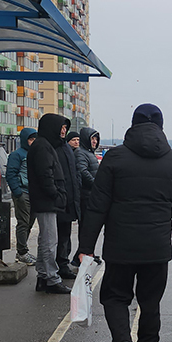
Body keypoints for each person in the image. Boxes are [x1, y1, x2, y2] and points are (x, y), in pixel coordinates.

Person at [78, 104, 172, 342]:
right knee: (150, 303)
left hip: (120, 246)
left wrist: (86, 247)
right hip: (156, 248)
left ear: (132, 124)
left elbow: (97, 206)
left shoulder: (114, 158)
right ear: (161, 127)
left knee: (115, 298)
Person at [28, 114, 70, 294]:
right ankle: (52, 279)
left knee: (45, 240)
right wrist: (56, 194)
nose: (63, 131)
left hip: (45, 200)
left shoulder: (43, 145)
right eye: (61, 127)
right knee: (49, 241)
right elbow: (45, 175)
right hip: (46, 201)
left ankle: (43, 276)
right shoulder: (43, 147)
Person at [5, 127, 37, 265]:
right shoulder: (17, 155)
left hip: (34, 194)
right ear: (25, 140)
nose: (33, 142)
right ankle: (22, 252)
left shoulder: (36, 154)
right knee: (23, 223)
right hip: (23, 193)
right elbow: (10, 174)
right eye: (31, 139)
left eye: (35, 139)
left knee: (29, 223)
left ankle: (22, 251)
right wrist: (17, 191)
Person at [71, 126, 101, 267]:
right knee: (86, 228)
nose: (94, 141)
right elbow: (82, 171)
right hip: (85, 196)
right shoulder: (81, 153)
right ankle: (81, 256)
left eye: (96, 139)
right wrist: (96, 185)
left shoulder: (89, 153)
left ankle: (86, 254)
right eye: (92, 138)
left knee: (89, 227)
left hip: (90, 196)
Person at [56, 120, 82, 280]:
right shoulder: (54, 149)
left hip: (69, 198)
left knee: (65, 234)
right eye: (62, 128)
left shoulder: (66, 150)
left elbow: (74, 173)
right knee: (57, 237)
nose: (64, 130)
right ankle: (59, 265)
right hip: (59, 200)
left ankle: (63, 263)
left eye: (66, 128)